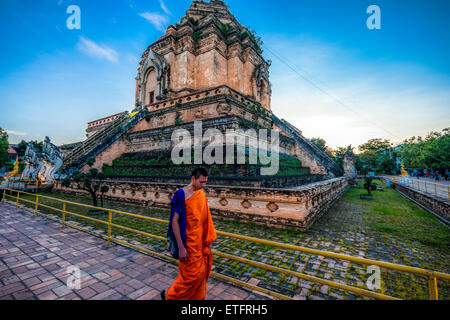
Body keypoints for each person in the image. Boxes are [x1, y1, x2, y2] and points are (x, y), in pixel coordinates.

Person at [161, 168, 217, 300]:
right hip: (187, 244)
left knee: (200, 276)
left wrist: (206, 242)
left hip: (199, 244)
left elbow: (205, 220)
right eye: (201, 182)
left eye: (205, 182)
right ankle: (169, 296)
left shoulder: (201, 194)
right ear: (193, 179)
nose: (203, 185)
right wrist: (181, 247)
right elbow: (174, 221)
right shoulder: (180, 194)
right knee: (190, 277)